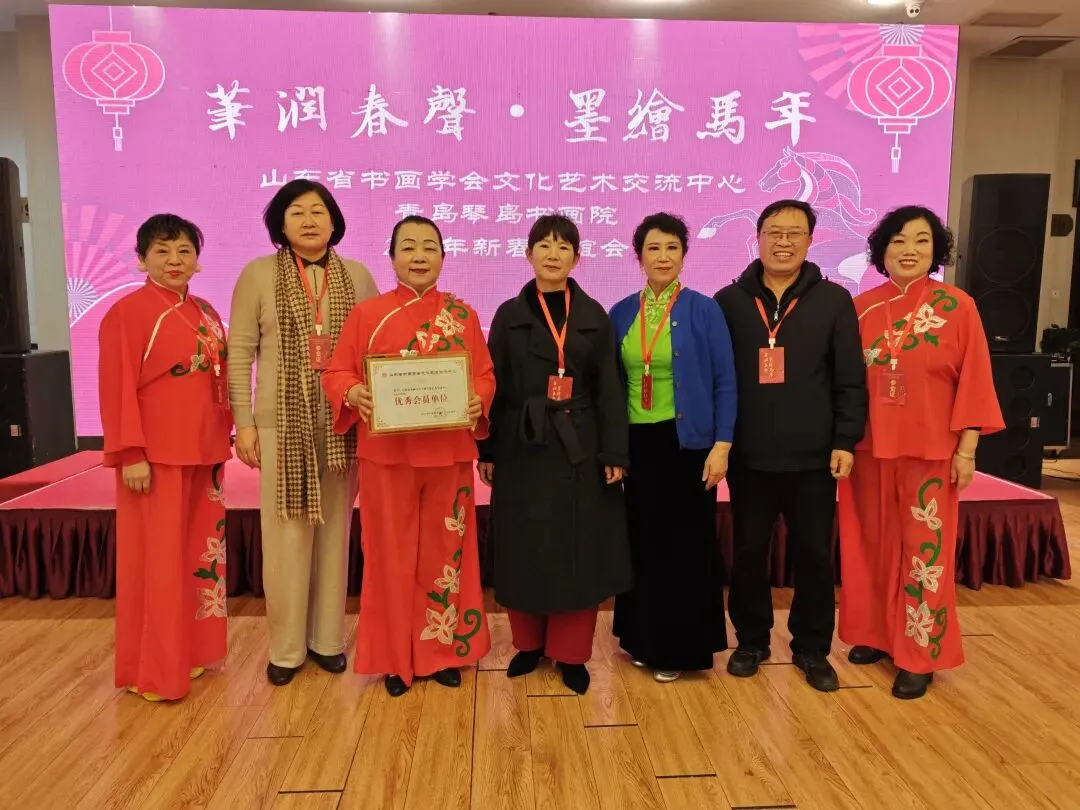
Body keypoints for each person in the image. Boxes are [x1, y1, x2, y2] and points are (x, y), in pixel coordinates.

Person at [322, 215, 494, 697]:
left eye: (429, 247)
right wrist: (353, 392)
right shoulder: (367, 314)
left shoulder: (463, 316)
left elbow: (483, 374)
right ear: (392, 257)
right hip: (387, 456)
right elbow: (336, 372)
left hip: (448, 453)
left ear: (443, 256)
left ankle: (441, 653)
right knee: (389, 557)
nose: (419, 256)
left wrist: (478, 398)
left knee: (446, 554)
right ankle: (395, 659)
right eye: (409, 247)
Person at [838, 206, 1003, 700]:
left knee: (923, 554)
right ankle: (876, 634)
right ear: (881, 250)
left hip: (931, 450)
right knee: (871, 545)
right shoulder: (860, 308)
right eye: (898, 241)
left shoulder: (958, 306)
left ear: (937, 250)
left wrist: (967, 449)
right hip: (869, 450)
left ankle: (919, 652)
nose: (909, 250)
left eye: (921, 241)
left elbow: (975, 379)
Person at [228, 179, 378, 686]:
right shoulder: (257, 275)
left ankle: (327, 641)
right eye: (297, 212)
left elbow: (374, 349)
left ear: (334, 222)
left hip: (343, 424)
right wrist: (244, 423)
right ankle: (286, 649)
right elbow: (239, 353)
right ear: (280, 223)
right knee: (286, 537)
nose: (309, 220)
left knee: (335, 533)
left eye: (319, 211)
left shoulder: (357, 276)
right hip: (280, 426)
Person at [714, 199, 868, 692]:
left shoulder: (833, 300)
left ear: (810, 240)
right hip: (750, 456)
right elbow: (720, 379)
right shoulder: (729, 301)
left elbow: (849, 378)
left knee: (814, 555)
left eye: (794, 233)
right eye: (774, 232)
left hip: (813, 458)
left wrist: (845, 439)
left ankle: (811, 648)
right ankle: (751, 641)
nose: (784, 242)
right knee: (748, 553)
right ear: (758, 237)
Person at [477, 214, 630, 695]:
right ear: (528, 254)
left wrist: (614, 452)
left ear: (576, 259)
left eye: (563, 247)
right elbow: (495, 386)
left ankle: (571, 653)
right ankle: (528, 645)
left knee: (577, 549)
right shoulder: (508, 315)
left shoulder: (594, 315)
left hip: (579, 447)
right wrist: (488, 449)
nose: (552, 254)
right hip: (522, 444)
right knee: (523, 547)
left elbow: (610, 389)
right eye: (543, 245)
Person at [99, 213, 233, 701]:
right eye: (161, 251)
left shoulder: (206, 311)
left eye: (184, 251)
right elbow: (117, 387)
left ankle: (187, 651)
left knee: (197, 557)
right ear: (141, 259)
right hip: (155, 456)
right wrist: (130, 453)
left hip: (205, 452)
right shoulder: (128, 313)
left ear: (198, 260)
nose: (174, 260)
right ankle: (152, 670)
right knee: (156, 562)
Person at [609, 212, 737, 683]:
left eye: (672, 248)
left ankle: (681, 649)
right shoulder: (621, 312)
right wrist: (613, 450)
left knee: (686, 547)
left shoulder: (704, 309)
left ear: (684, 255)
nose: (663, 257)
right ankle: (642, 641)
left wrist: (722, 444)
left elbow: (726, 381)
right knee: (643, 543)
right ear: (639, 256)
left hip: (689, 446)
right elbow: (611, 386)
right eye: (653, 248)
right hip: (638, 444)